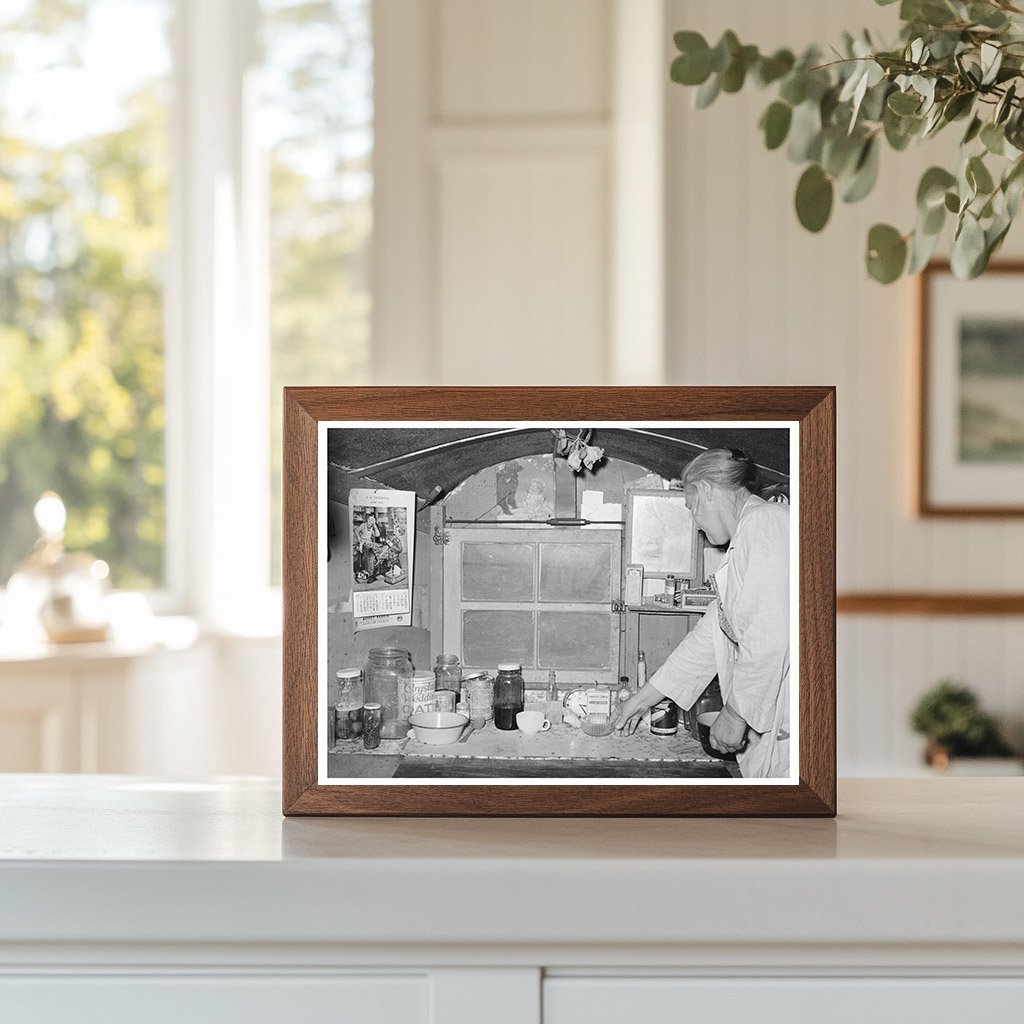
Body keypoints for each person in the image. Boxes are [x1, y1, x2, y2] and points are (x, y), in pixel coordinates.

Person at [613, 449, 791, 778]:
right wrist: (640, 700)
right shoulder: (749, 537)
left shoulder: (766, 524)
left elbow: (773, 637)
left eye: (692, 506)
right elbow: (708, 640)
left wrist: (736, 715)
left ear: (707, 490)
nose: (695, 521)